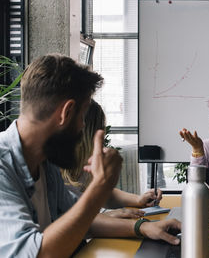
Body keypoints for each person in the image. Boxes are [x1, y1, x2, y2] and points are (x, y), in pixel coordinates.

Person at [0, 54, 180, 257]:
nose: (82, 126)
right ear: (66, 112)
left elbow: (80, 220)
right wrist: (100, 186)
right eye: (82, 116)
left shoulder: (45, 162)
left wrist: (142, 228)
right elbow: (36, 253)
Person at [60, 99, 162, 219]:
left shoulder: (84, 163)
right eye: (101, 130)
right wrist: (105, 215)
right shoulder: (56, 173)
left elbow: (106, 194)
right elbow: (70, 219)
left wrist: (138, 199)